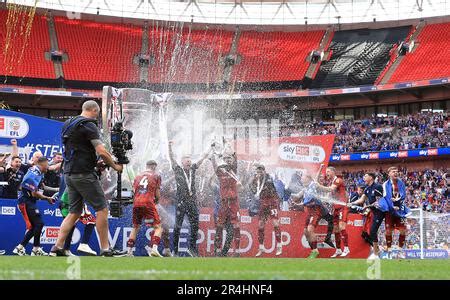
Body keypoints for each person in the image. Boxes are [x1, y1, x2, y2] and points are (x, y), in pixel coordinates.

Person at [50, 100, 125, 257]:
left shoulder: (68, 124)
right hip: (83, 175)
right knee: (102, 209)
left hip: (69, 173)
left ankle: (57, 247)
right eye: (97, 114)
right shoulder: (89, 125)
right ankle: (105, 249)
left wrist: (96, 163)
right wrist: (115, 166)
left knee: (74, 212)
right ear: (94, 110)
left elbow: (78, 150)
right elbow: (102, 151)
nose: (97, 118)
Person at [169, 140, 211, 257]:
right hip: (181, 202)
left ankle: (192, 249)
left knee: (195, 225)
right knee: (178, 226)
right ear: (182, 162)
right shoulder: (177, 169)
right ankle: (175, 251)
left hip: (191, 202)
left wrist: (210, 148)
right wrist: (170, 147)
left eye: (190, 159)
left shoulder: (192, 168)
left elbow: (202, 158)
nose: (189, 161)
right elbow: (171, 158)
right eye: (186, 159)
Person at [13, 157, 56, 256]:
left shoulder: (38, 173)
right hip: (25, 201)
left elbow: (42, 188)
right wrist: (47, 198)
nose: (48, 167)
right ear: (43, 164)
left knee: (35, 226)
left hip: (28, 201)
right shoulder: (34, 173)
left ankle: (21, 247)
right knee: (39, 223)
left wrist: (57, 190)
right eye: (47, 165)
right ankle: (35, 249)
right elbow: (34, 194)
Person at [126, 160, 163, 257]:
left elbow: (135, 191)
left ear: (146, 166)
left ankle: (129, 251)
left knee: (135, 227)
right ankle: (154, 249)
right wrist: (157, 201)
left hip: (136, 203)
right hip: (148, 203)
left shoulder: (138, 176)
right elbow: (157, 194)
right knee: (158, 227)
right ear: (154, 167)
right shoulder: (156, 176)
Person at [291, 174, 333, 258]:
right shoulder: (304, 188)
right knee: (305, 232)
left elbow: (327, 189)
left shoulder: (314, 185)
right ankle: (313, 250)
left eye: (303, 177)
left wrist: (332, 188)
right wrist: (291, 196)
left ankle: (315, 251)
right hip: (310, 212)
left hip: (316, 210)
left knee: (310, 230)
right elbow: (297, 196)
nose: (301, 178)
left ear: (308, 178)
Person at [315, 166, 350, 258]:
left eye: (328, 171)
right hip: (335, 208)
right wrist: (322, 198)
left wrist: (319, 186)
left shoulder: (338, 180)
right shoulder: (331, 182)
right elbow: (329, 195)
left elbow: (330, 189)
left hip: (342, 207)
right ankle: (338, 249)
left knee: (342, 227)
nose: (327, 173)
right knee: (336, 230)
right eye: (326, 171)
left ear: (333, 172)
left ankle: (346, 248)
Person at [212, 152, 242, 257]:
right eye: (226, 158)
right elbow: (215, 165)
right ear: (223, 160)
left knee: (236, 226)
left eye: (230, 158)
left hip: (234, 203)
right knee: (219, 226)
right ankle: (218, 250)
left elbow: (235, 161)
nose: (228, 160)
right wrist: (213, 153)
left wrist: (233, 153)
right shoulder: (221, 172)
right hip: (224, 203)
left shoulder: (233, 171)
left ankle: (237, 252)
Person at [250, 164, 282, 257]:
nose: (259, 172)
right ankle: (261, 248)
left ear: (264, 171)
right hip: (263, 203)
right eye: (258, 170)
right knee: (260, 225)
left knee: (275, 223)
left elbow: (270, 186)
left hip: (272, 203)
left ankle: (279, 246)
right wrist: (253, 182)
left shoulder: (268, 178)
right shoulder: (255, 180)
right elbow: (253, 190)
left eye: (261, 170)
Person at [349, 173, 384, 253]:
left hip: (380, 211)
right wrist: (352, 203)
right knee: (371, 232)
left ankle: (377, 251)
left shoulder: (378, 187)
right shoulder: (367, 188)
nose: (363, 177)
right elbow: (361, 200)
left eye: (365, 176)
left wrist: (368, 206)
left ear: (371, 178)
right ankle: (376, 251)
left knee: (373, 231)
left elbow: (380, 201)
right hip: (373, 211)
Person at [382, 166, 409, 259]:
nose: (395, 173)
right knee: (388, 231)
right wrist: (392, 206)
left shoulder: (401, 183)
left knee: (403, 230)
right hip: (390, 210)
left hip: (400, 210)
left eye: (397, 171)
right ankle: (389, 250)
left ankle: (400, 250)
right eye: (393, 171)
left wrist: (398, 201)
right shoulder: (385, 184)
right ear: (389, 174)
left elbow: (403, 195)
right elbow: (386, 197)